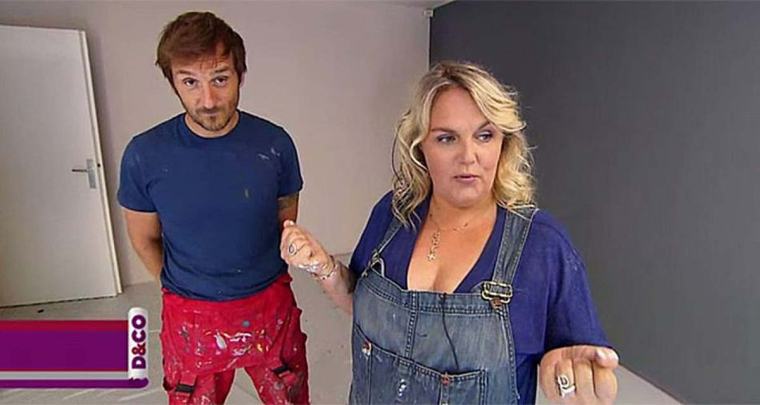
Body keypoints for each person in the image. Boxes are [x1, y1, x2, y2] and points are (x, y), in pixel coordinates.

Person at [280, 61, 618, 404]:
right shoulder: (394, 214)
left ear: (503, 143)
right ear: (421, 147)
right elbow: (360, 302)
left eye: (484, 136)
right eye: (446, 138)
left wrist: (576, 379)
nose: (468, 156)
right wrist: (324, 266)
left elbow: (588, 371)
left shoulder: (542, 245)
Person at [118, 11, 308, 405]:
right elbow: (144, 238)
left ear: (240, 75)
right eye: (190, 82)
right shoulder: (144, 154)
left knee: (288, 396)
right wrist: (185, 287)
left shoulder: (275, 144)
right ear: (173, 82)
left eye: (220, 78)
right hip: (190, 312)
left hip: (269, 303)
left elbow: (285, 216)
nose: (207, 100)